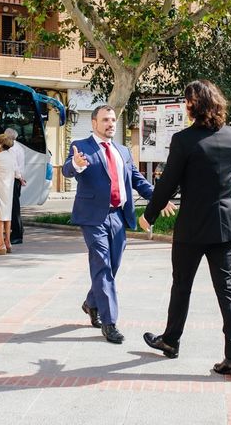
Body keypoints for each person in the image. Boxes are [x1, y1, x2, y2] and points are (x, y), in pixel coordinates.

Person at [139, 80, 231, 376]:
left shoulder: (184, 140)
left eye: (187, 101)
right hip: (224, 228)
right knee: (227, 291)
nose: (184, 105)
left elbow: (167, 183)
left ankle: (170, 340)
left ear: (196, 105)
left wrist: (149, 216)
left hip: (192, 229)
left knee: (181, 286)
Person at [62, 104, 176, 344]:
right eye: (105, 120)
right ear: (94, 123)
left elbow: (137, 180)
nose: (110, 124)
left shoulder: (123, 151)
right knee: (102, 264)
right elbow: (68, 170)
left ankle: (91, 302)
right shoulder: (81, 147)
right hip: (93, 218)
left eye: (113, 119)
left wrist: (159, 199)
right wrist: (77, 164)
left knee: (112, 266)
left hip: (118, 216)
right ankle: (110, 322)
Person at [4, 128, 25, 244]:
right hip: (17, 179)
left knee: (13, 208)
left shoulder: (11, 148)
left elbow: (14, 166)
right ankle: (19, 230)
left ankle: (17, 235)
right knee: (15, 207)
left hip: (13, 178)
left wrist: (19, 177)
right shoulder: (19, 147)